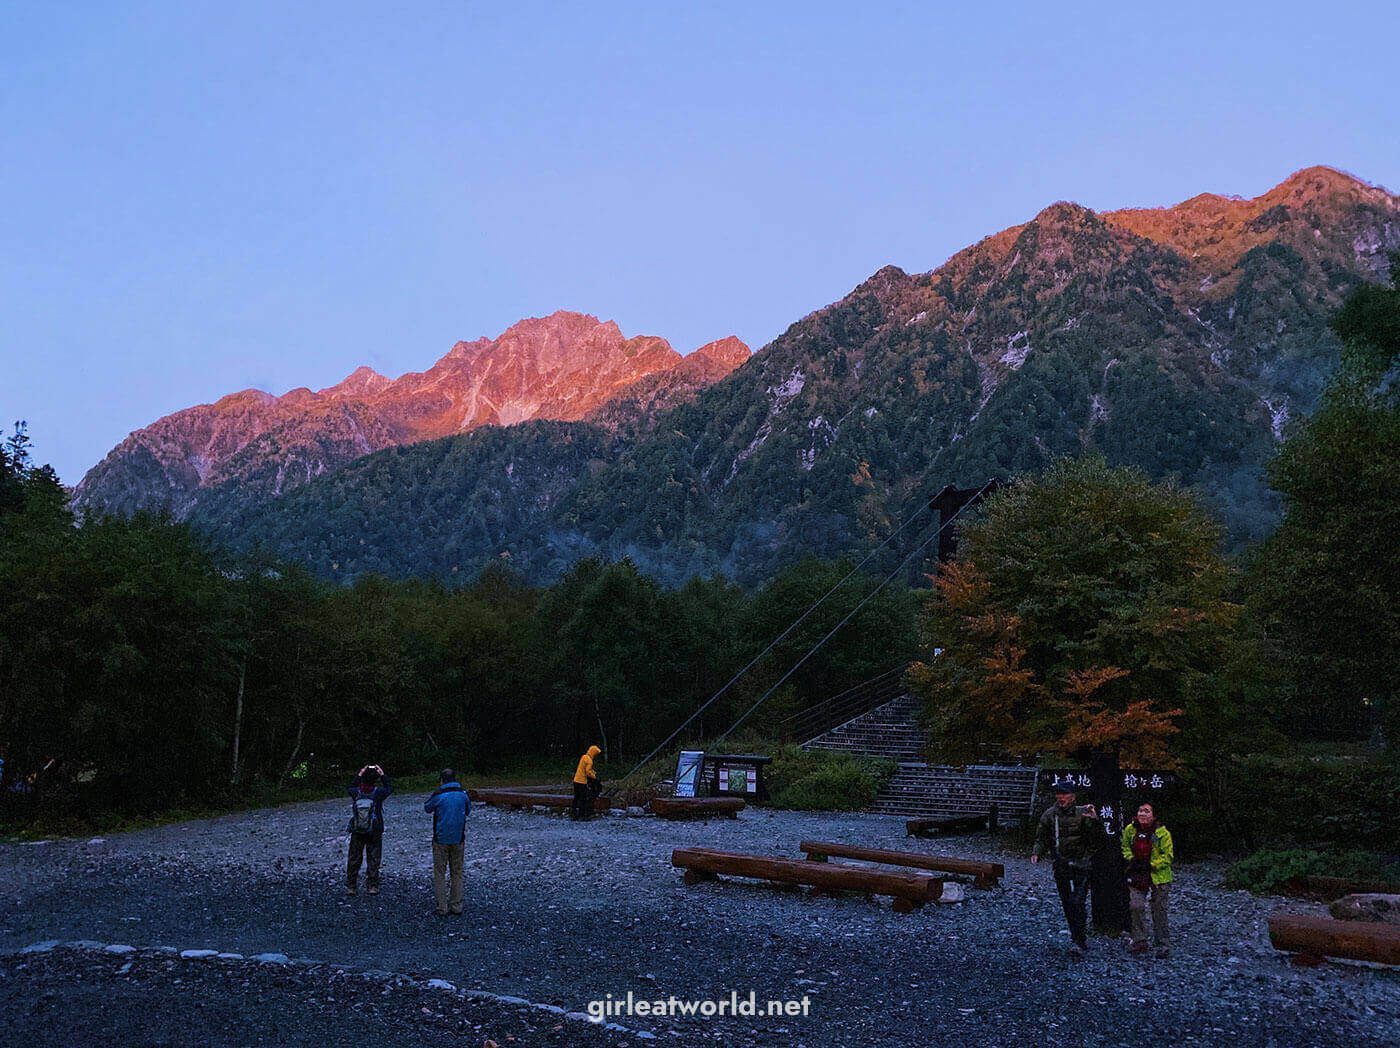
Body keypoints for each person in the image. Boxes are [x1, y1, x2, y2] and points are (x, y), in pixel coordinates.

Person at [1031, 780, 1101, 958]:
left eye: (1065, 794)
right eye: (1059, 794)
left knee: (1077, 901)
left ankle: (1079, 940)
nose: (1061, 798)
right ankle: (1076, 937)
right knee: (1067, 903)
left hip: (1081, 863)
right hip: (1061, 863)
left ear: (1072, 797)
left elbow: (1095, 837)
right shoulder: (1050, 815)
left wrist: (1094, 820)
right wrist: (1037, 853)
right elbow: (1042, 837)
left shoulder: (1083, 813)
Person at [1121, 801, 1174, 958]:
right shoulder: (1130, 829)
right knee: (1135, 906)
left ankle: (1163, 944)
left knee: (1159, 910)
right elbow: (1125, 847)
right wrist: (1133, 860)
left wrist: (1151, 865)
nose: (1142, 814)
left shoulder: (1163, 833)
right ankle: (1139, 940)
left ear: (1154, 815)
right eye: (1140, 810)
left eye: (1146, 811)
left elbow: (1168, 856)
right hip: (1136, 873)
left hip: (1159, 876)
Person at [423, 768, 470, 917]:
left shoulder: (439, 796)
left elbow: (427, 808)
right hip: (458, 838)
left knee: (440, 873)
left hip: (440, 838)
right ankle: (456, 905)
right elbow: (468, 811)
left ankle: (442, 907)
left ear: (442, 781)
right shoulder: (463, 795)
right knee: (457, 872)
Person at [345, 763, 393, 896]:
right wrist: (383, 774)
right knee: (373, 857)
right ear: (375, 780)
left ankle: (351, 886)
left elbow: (350, 787)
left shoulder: (356, 793)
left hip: (357, 828)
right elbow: (390, 788)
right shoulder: (378, 793)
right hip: (375, 829)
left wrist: (359, 774)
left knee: (354, 857)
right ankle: (372, 885)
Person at [571, 745, 602, 821]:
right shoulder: (590, 760)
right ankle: (582, 815)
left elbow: (584, 769)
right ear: (594, 753)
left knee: (576, 798)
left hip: (576, 780)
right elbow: (588, 772)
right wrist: (595, 777)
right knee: (583, 799)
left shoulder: (584, 757)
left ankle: (574, 814)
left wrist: (593, 772)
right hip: (582, 782)